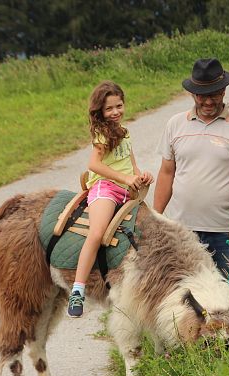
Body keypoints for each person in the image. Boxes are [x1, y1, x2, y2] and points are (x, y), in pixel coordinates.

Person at [153, 58, 229, 293]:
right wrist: (156, 217)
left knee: (227, 293)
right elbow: (167, 173)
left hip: (224, 230)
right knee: (183, 294)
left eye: (214, 94)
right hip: (181, 230)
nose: (209, 101)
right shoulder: (175, 125)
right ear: (193, 94)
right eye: (202, 95)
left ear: (223, 91)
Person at [68, 81, 154, 317]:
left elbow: (132, 166)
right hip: (106, 188)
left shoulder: (125, 133)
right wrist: (124, 178)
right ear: (100, 112)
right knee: (97, 233)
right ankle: (78, 289)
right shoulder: (102, 135)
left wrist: (141, 176)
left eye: (119, 106)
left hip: (126, 190)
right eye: (109, 109)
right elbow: (93, 164)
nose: (115, 112)